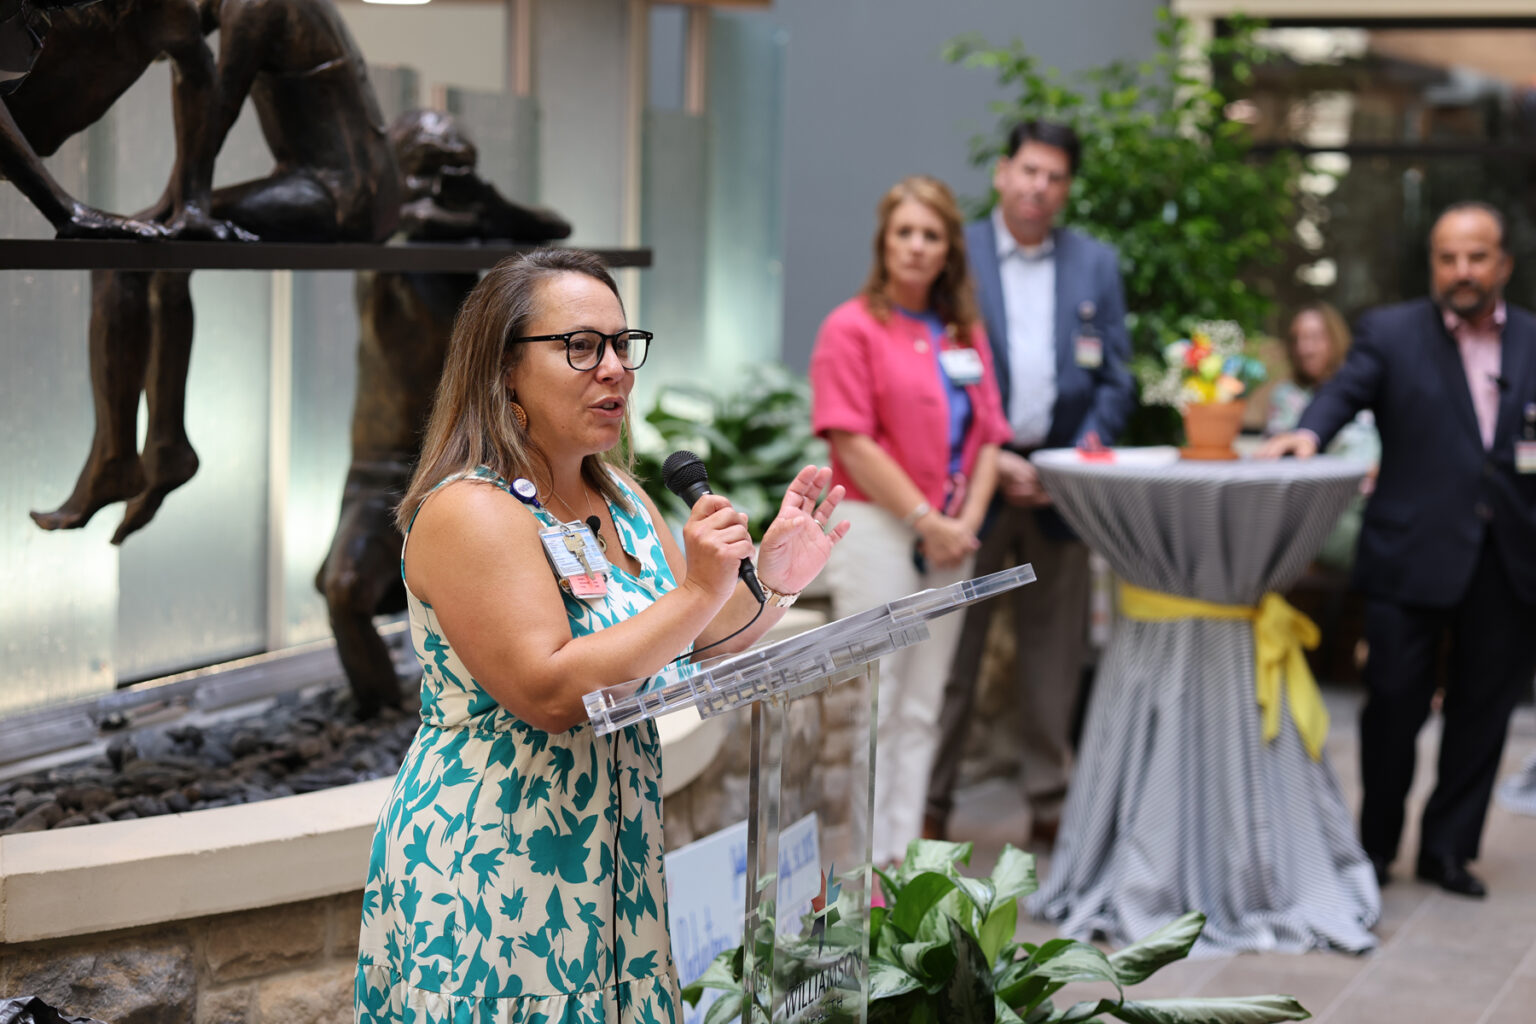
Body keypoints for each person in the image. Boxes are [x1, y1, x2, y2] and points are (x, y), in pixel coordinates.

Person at [354, 248, 848, 1022]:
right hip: (497, 867)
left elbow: (689, 646)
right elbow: (551, 691)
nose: (614, 368)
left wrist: (774, 582)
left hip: (613, 870)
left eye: (622, 345)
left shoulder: (616, 495)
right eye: (581, 346)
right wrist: (696, 588)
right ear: (504, 369)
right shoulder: (471, 512)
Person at [30, 0, 403, 543]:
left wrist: (172, 211)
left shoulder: (256, 5)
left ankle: (118, 454)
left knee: (122, 258)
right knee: (156, 258)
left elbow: (217, 104)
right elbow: (203, 92)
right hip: (345, 186)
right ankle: (163, 444)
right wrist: (172, 210)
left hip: (339, 193)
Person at [1260, 201, 1536, 898]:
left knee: (1481, 713)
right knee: (1391, 710)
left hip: (1506, 559)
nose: (1462, 271)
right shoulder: (1392, 330)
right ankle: (1376, 851)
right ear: (1433, 265)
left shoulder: (1533, 339)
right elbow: (1345, 391)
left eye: (1477, 257)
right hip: (1409, 554)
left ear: (1503, 263)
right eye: (1448, 257)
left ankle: (1448, 852)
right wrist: (1310, 434)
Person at [316, 108, 571, 718]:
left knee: (492, 587)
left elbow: (552, 227)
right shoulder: (383, 231)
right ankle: (383, 712)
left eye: (456, 170)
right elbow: (394, 223)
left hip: (464, 453)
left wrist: (480, 200)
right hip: (382, 460)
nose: (439, 185)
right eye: (428, 168)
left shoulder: (466, 247)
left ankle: (482, 696)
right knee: (345, 589)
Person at [924, 120, 1135, 847]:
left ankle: (1049, 803)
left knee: (1055, 657)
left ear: (1066, 189)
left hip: (1060, 489)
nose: (1039, 187)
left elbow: (1116, 379)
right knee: (953, 651)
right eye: (1029, 171)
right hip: (975, 484)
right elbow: (934, 363)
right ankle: (932, 803)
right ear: (1004, 173)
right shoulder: (961, 253)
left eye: (1054, 177)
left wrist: (1073, 460)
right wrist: (990, 453)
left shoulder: (1096, 264)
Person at [809, 174, 1010, 867]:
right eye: (906, 233)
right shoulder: (852, 326)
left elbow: (989, 435)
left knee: (926, 706)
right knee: (881, 702)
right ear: (884, 243)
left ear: (949, 247)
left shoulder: (964, 333)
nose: (918, 247)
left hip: (954, 535)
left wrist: (967, 520)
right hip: (880, 531)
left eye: (932, 235)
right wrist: (927, 518)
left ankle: (907, 865)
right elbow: (853, 443)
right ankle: (866, 865)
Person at [1265, 302, 1380, 572]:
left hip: (1378, 497)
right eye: (1298, 339)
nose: (1305, 349)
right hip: (1327, 506)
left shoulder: (1367, 391)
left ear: (1336, 338)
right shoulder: (1287, 397)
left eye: (1315, 338)